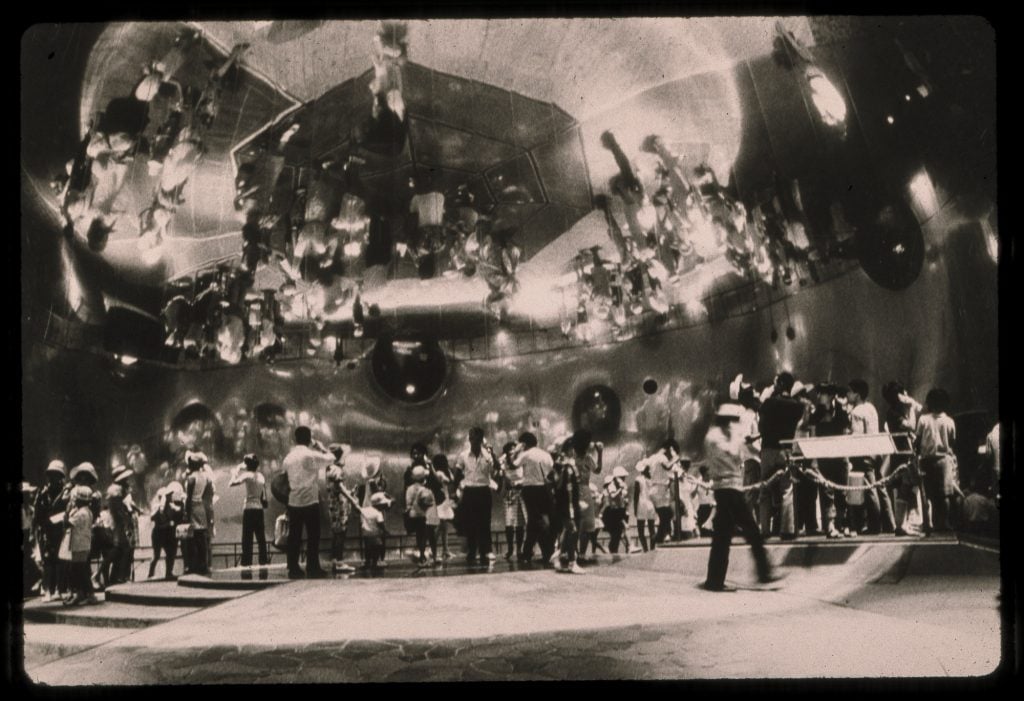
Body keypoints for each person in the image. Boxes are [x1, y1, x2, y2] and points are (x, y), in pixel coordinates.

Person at [702, 403, 782, 592]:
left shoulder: (725, 434)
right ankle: (764, 574)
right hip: (727, 489)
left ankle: (714, 581)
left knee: (722, 537)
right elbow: (731, 452)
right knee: (752, 532)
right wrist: (739, 436)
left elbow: (745, 453)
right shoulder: (715, 437)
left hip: (729, 489)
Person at [282, 426, 335, 578]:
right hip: (310, 501)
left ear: (295, 439)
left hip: (293, 501)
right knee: (313, 535)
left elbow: (284, 476)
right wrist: (321, 447)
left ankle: (293, 568)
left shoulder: (288, 458)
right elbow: (332, 458)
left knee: (294, 537)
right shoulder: (311, 455)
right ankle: (313, 567)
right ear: (309, 439)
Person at [757, 372, 804, 539]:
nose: (774, 385)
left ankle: (765, 530)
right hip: (786, 450)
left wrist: (766, 398)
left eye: (776, 382)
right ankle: (787, 529)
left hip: (769, 448)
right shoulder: (797, 406)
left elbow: (761, 427)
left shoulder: (769, 404)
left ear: (781, 384)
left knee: (765, 490)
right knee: (787, 489)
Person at [847, 379, 896, 534]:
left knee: (869, 491)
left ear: (857, 394)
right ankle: (889, 524)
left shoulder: (856, 412)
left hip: (863, 453)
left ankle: (874, 526)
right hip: (876, 451)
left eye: (850, 392)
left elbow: (858, 435)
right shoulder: (871, 408)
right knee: (880, 489)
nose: (848, 395)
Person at [882, 382, 925, 536]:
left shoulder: (897, 411)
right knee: (905, 487)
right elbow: (911, 426)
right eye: (904, 393)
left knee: (906, 487)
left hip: (904, 452)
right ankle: (902, 524)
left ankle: (905, 523)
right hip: (902, 454)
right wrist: (912, 408)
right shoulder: (893, 413)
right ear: (899, 396)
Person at [810, 384, 853, 538]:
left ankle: (842, 524)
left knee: (842, 491)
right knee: (826, 491)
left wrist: (842, 409)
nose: (818, 396)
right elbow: (811, 429)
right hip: (824, 456)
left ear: (830, 395)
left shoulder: (841, 410)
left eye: (821, 393)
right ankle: (829, 526)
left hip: (840, 454)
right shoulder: (816, 413)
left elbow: (848, 428)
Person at [916, 388, 958, 534]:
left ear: (930, 403)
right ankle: (944, 522)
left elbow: (918, 440)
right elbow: (952, 442)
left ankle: (928, 523)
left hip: (927, 460)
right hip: (944, 460)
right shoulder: (950, 421)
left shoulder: (923, 419)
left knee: (927, 494)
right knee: (945, 494)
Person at [453, 427, 498, 565]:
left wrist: (493, 454)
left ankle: (485, 552)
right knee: (470, 523)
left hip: (484, 491)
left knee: (485, 523)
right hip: (469, 491)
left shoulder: (488, 455)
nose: (473, 440)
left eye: (476, 438)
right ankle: (472, 552)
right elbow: (458, 473)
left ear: (481, 439)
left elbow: (495, 470)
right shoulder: (463, 455)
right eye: (471, 437)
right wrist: (456, 491)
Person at [514, 432, 555, 564]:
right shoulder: (546, 455)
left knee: (534, 520)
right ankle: (546, 552)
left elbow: (513, 465)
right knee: (541, 519)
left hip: (530, 489)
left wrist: (516, 452)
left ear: (524, 443)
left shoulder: (526, 454)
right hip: (544, 489)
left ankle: (528, 553)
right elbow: (551, 471)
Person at [34, 460, 70, 602]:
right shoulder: (43, 493)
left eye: (56, 475)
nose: (53, 478)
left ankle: (61, 589)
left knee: (61, 561)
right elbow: (38, 513)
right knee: (48, 562)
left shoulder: (66, 492)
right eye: (51, 475)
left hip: (61, 529)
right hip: (47, 531)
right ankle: (48, 590)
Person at [551, 439, 585, 574]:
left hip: (569, 502)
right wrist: (571, 507)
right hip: (568, 503)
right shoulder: (566, 465)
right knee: (572, 530)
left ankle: (558, 554)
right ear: (571, 449)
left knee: (568, 530)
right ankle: (572, 562)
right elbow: (566, 487)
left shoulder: (564, 463)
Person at [230, 453, 269, 570]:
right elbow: (264, 497)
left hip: (249, 508)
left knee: (247, 539)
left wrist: (235, 471)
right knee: (261, 538)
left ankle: (246, 563)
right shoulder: (261, 477)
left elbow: (232, 483)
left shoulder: (246, 475)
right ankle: (263, 562)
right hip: (259, 509)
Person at [570, 430, 603, 563]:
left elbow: (597, 470)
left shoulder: (583, 458)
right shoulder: (580, 457)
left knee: (584, 524)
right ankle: (578, 552)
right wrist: (600, 453)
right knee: (580, 524)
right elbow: (598, 470)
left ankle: (579, 553)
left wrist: (600, 453)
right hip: (580, 489)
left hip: (579, 490)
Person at [324, 445, 357, 573]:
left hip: (334, 505)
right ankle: (339, 561)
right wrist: (352, 499)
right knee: (340, 534)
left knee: (336, 533)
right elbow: (340, 487)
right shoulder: (336, 469)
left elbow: (337, 489)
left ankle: (335, 561)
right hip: (339, 506)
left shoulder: (329, 468)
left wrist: (350, 492)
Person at [67, 486, 100, 606]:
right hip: (83, 544)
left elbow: (67, 523)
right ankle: (80, 593)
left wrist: (67, 511)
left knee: (79, 570)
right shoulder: (88, 512)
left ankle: (90, 594)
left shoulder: (80, 513)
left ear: (80, 500)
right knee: (79, 569)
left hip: (79, 544)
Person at [183, 450, 213, 576]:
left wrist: (186, 513)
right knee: (202, 536)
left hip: (193, 507)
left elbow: (189, 498)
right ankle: (204, 564)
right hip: (201, 506)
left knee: (192, 538)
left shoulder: (191, 478)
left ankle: (193, 565)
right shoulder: (206, 477)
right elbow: (208, 495)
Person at [148, 483, 183, 580]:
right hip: (159, 533)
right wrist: (160, 509)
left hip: (168, 533)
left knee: (171, 553)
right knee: (156, 554)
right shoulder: (157, 506)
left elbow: (178, 513)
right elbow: (152, 517)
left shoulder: (171, 506)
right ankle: (151, 573)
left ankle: (169, 572)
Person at [498, 441, 526, 560]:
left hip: (521, 494)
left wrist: (520, 483)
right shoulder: (504, 464)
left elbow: (526, 477)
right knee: (509, 524)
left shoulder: (522, 463)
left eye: (514, 450)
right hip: (509, 495)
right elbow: (502, 478)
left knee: (520, 524)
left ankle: (519, 549)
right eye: (509, 451)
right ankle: (510, 549)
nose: (512, 453)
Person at [405, 466, 437, 565]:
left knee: (419, 536)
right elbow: (429, 503)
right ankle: (424, 555)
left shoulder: (409, 489)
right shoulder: (424, 489)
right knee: (424, 536)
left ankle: (421, 555)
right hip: (422, 515)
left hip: (412, 515)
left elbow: (407, 502)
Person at [428, 454, 456, 560]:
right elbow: (446, 481)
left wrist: (448, 469)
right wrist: (433, 468)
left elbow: (452, 479)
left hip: (445, 501)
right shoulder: (439, 473)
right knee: (441, 527)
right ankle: (433, 549)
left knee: (444, 528)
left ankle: (445, 550)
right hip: (442, 501)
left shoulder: (444, 472)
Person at [600, 467, 630, 554]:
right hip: (613, 512)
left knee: (618, 533)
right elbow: (612, 496)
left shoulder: (619, 485)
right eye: (622, 477)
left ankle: (614, 550)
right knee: (616, 532)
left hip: (618, 510)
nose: (623, 479)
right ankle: (613, 550)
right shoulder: (612, 485)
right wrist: (620, 489)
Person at [360, 492, 391, 571]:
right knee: (377, 548)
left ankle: (367, 562)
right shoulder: (378, 513)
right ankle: (374, 563)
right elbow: (380, 524)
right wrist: (385, 531)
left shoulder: (364, 510)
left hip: (366, 533)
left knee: (367, 548)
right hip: (375, 533)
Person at [632, 460, 657, 552]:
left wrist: (635, 508)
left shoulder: (638, 479)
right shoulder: (652, 479)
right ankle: (652, 548)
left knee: (641, 529)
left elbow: (636, 495)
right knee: (652, 528)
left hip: (641, 503)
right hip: (651, 503)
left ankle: (645, 549)